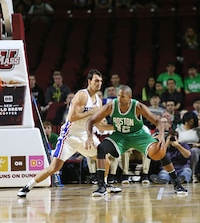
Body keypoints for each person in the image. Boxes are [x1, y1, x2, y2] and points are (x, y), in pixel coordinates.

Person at [17, 69, 119, 197]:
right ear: (89, 81)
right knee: (54, 168)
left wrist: (116, 127)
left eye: (101, 81)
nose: (99, 83)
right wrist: (91, 111)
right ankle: (27, 186)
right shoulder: (82, 95)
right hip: (69, 137)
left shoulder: (98, 100)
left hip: (85, 136)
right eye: (96, 81)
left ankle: (103, 185)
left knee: (105, 160)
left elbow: (98, 125)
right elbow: (71, 117)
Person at [86, 85, 188, 196]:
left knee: (159, 150)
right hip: (120, 136)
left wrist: (161, 135)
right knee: (101, 148)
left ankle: (177, 183)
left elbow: (157, 121)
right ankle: (102, 186)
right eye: (118, 95)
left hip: (138, 135)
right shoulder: (111, 105)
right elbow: (91, 121)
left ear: (130, 97)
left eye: (123, 96)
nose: (119, 98)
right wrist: (90, 137)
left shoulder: (138, 106)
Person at [176, 112, 200, 183]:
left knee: (194, 151)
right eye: (188, 121)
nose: (189, 123)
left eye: (192, 122)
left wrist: (198, 145)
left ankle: (194, 174)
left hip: (194, 148)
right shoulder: (178, 130)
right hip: (181, 148)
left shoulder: (197, 130)